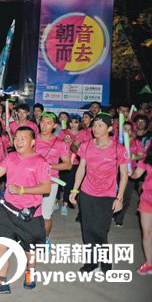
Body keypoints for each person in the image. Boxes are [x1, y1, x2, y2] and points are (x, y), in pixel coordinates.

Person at [0, 127, 52, 294]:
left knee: (30, 250)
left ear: (33, 142)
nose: (18, 141)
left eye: (23, 138)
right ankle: (2, 281)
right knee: (1, 247)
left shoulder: (40, 162)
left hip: (29, 215)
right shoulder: (11, 157)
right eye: (16, 138)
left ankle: (30, 273)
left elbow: (46, 188)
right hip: (7, 210)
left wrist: (22, 190)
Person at [69, 113, 130, 272]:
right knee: (87, 229)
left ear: (109, 128)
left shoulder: (118, 149)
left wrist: (119, 198)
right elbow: (81, 168)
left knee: (100, 230)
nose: (95, 128)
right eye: (94, 125)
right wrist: (75, 189)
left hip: (107, 195)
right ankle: (91, 262)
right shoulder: (86, 145)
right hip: (87, 192)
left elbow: (124, 175)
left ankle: (105, 260)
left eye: (100, 126)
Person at [35, 112, 71, 244]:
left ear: (55, 126)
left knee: (45, 215)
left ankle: (44, 239)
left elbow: (67, 164)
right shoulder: (32, 139)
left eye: (48, 123)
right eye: (42, 122)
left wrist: (49, 167)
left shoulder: (60, 143)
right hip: (30, 182)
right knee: (27, 213)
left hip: (50, 183)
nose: (44, 126)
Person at [130, 143, 152, 275]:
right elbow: (137, 174)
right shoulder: (147, 158)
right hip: (147, 200)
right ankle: (149, 263)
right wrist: (130, 173)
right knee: (147, 233)